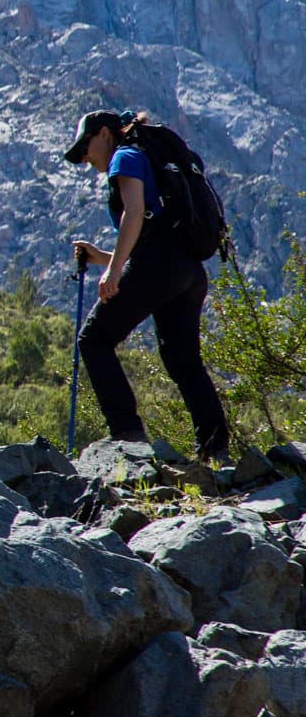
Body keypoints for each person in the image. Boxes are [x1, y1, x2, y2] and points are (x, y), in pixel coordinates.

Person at [64, 110, 229, 459]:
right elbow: (154, 242)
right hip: (189, 272)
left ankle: (127, 436)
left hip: (158, 265)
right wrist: (104, 259)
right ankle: (216, 449)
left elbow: (134, 213)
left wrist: (112, 274)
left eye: (85, 146)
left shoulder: (124, 156)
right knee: (183, 361)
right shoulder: (150, 157)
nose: (83, 157)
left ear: (105, 133)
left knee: (94, 339)